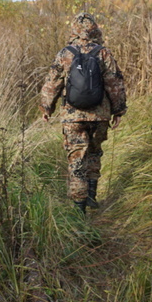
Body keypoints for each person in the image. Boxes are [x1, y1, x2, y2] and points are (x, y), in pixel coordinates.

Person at [40, 12, 127, 214]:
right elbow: (114, 83)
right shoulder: (103, 52)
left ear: (74, 31)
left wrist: (46, 108)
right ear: (95, 30)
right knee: (94, 153)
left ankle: (79, 210)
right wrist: (118, 110)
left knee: (77, 158)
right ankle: (91, 196)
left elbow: (52, 82)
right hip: (100, 115)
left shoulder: (65, 53)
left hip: (72, 116)